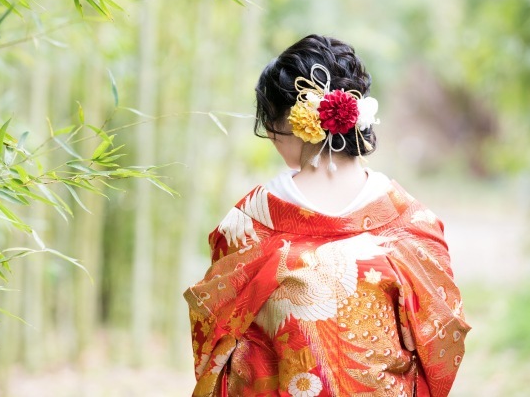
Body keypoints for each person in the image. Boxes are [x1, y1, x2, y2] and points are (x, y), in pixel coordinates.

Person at [183, 35, 470, 397]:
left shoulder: (249, 223)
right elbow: (440, 342)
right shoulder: (412, 225)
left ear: (292, 121)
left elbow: (218, 331)